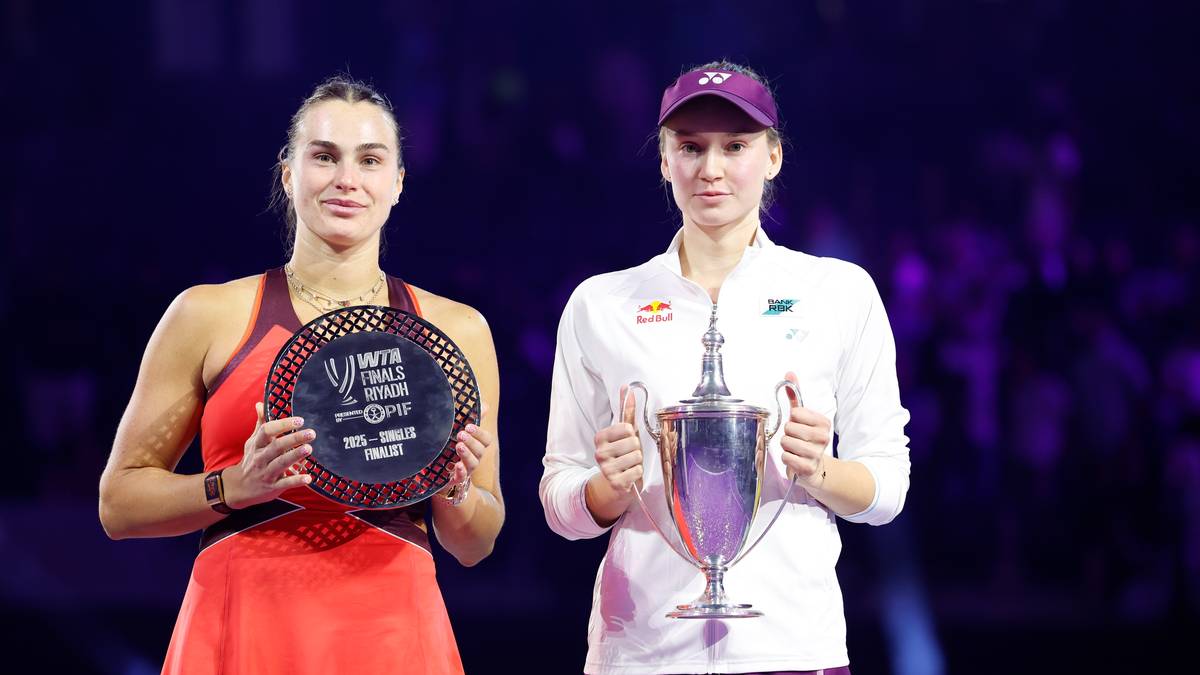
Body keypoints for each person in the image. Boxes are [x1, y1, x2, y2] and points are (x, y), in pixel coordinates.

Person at [98, 75, 504, 675]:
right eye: (324, 156)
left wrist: (456, 488)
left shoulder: (456, 330)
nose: (347, 179)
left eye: (370, 160)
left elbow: (475, 543)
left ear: (396, 184)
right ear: (288, 174)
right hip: (245, 617)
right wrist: (234, 486)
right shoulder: (207, 314)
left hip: (393, 627)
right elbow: (119, 504)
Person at [540, 61, 911, 674]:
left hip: (792, 647)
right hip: (642, 652)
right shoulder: (601, 304)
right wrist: (605, 489)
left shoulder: (838, 292)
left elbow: (887, 488)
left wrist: (821, 469)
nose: (710, 169)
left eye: (734, 146)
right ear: (664, 162)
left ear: (773, 157)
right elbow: (560, 499)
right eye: (690, 147)